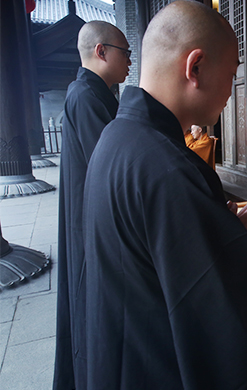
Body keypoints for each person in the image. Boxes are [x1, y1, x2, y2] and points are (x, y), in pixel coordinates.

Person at [82, 2, 247, 388]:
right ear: (196, 67)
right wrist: (240, 250)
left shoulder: (117, 138)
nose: (231, 89)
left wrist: (219, 238)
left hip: (123, 354)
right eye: (232, 73)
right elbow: (216, 322)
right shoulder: (170, 168)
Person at [54, 21, 131, 390]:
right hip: (92, 220)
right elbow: (111, 162)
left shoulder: (94, 93)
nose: (130, 62)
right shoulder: (85, 95)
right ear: (101, 52)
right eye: (125, 52)